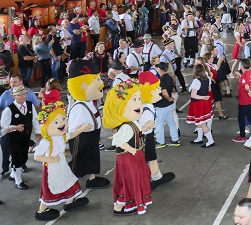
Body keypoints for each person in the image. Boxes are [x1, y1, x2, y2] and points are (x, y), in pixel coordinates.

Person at [33, 101, 91, 221]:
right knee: (49, 189)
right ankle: (41, 210)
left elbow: (73, 134)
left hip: (61, 163)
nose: (62, 123)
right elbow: (37, 156)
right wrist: (51, 159)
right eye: (56, 122)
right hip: (51, 167)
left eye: (64, 119)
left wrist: (83, 128)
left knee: (68, 180)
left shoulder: (62, 136)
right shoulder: (46, 142)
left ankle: (70, 201)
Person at [103, 80, 153, 215]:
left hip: (134, 157)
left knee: (136, 180)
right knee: (129, 182)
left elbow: (135, 135)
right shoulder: (126, 126)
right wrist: (130, 149)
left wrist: (145, 127)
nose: (138, 103)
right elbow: (118, 141)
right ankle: (119, 207)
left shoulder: (132, 123)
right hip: (128, 158)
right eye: (134, 99)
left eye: (138, 99)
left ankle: (131, 203)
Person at [66, 60, 110, 188]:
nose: (101, 83)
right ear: (84, 86)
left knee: (93, 157)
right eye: (97, 80)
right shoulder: (79, 106)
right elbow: (71, 129)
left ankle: (92, 178)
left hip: (92, 136)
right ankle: (68, 180)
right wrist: (83, 128)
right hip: (81, 138)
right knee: (79, 160)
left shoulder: (89, 102)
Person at [137, 71, 176, 189]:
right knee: (143, 160)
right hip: (142, 138)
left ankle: (156, 176)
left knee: (151, 156)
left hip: (148, 136)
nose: (160, 90)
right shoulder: (144, 107)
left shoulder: (147, 105)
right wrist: (145, 128)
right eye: (157, 88)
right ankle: (143, 181)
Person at [1, 85, 41, 189]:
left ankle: (12, 174)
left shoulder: (29, 105)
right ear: (14, 96)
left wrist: (38, 131)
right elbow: (3, 126)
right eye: (20, 95)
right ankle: (18, 181)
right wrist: (15, 127)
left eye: (24, 94)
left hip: (26, 136)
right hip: (13, 138)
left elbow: (35, 119)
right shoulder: (9, 110)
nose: (23, 96)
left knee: (24, 156)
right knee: (17, 158)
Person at [187, 63, 215, 147]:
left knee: (202, 123)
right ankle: (199, 138)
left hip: (198, 103)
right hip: (205, 102)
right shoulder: (208, 79)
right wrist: (205, 96)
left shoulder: (196, 81)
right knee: (199, 121)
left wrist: (202, 96)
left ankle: (210, 140)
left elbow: (193, 95)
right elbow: (209, 89)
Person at [153, 62, 180, 148]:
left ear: (160, 69)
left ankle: (160, 142)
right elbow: (172, 89)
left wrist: (168, 98)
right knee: (171, 122)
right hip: (169, 105)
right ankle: (175, 139)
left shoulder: (162, 80)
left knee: (159, 124)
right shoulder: (170, 77)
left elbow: (164, 92)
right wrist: (170, 99)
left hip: (162, 105)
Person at [234, 58, 251, 143]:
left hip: (244, 100)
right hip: (250, 100)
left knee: (241, 118)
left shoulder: (244, 75)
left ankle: (242, 136)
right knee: (250, 117)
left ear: (242, 66)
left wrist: (248, 92)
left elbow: (246, 86)